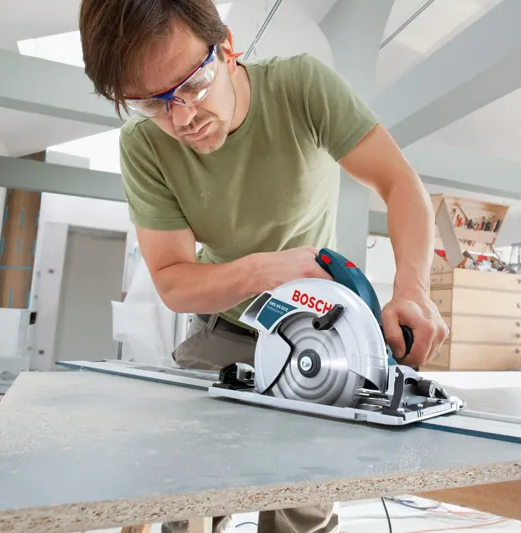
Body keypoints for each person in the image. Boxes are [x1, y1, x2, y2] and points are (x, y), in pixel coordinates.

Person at [78, 1, 449, 531]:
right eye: (151, 105)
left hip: (318, 335)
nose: (181, 119)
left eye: (193, 85)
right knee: (186, 497)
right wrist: (267, 272)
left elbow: (399, 183)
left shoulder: (301, 87)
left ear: (227, 49)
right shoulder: (143, 145)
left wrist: (412, 288)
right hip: (225, 326)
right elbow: (174, 280)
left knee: (303, 502)